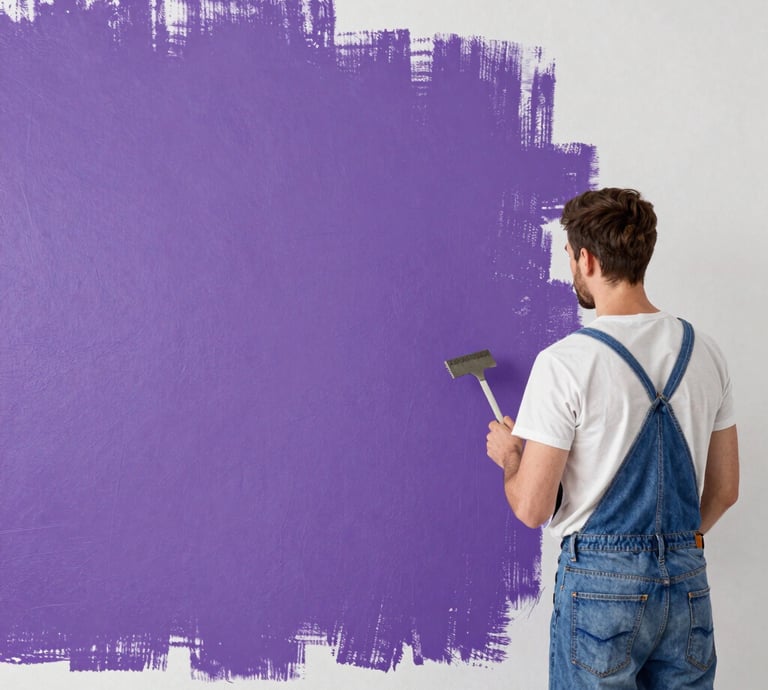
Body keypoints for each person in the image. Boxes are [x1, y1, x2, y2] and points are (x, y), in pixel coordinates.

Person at [485, 188, 739, 689]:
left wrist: (513, 458)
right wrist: (674, 548)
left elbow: (533, 508)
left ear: (587, 258)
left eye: (569, 258)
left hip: (601, 584)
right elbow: (726, 489)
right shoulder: (705, 352)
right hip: (687, 581)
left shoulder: (566, 363)